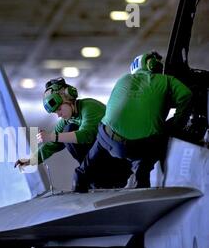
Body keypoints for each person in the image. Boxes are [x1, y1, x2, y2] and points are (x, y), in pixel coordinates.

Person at [73, 51, 192, 193]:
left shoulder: (123, 79)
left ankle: (79, 179)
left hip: (107, 140)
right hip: (140, 149)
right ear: (154, 66)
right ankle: (140, 182)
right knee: (150, 151)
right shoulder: (167, 80)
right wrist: (176, 124)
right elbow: (187, 95)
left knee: (92, 154)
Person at [15, 77, 130, 189]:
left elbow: (86, 135)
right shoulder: (67, 120)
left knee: (68, 130)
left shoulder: (90, 107)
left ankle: (96, 177)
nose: (59, 115)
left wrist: (51, 136)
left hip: (119, 162)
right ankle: (95, 178)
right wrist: (32, 160)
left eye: (59, 109)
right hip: (103, 163)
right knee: (67, 131)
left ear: (69, 99)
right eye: (56, 112)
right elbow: (52, 145)